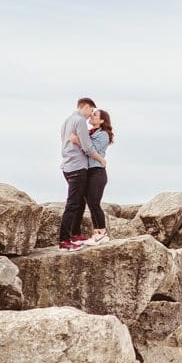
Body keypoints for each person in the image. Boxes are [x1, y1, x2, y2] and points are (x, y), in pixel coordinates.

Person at [58, 97, 105, 252]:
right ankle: (64, 241)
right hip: (77, 167)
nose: (90, 114)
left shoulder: (68, 120)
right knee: (73, 204)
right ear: (85, 107)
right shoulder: (79, 121)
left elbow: (62, 138)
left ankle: (75, 235)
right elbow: (88, 147)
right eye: (91, 111)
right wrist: (101, 160)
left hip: (67, 165)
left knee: (79, 203)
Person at [71, 108, 114, 245]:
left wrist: (78, 141)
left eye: (95, 114)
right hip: (87, 171)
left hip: (97, 171)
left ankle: (102, 232)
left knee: (94, 202)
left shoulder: (104, 135)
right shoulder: (88, 132)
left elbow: (91, 150)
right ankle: (96, 233)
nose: (91, 115)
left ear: (101, 121)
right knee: (88, 202)